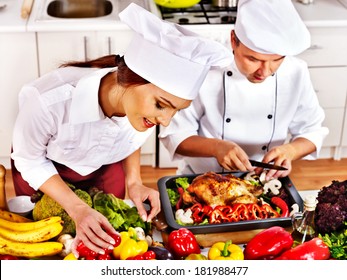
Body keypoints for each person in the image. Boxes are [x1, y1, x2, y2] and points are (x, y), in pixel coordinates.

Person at [10, 3, 231, 257]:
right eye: (161, 105)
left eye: (176, 110)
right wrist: (77, 208)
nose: (166, 121)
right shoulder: (49, 101)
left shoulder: (144, 112)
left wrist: (134, 181)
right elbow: (30, 160)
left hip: (105, 166)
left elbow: (131, 137)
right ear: (130, 79)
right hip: (44, 172)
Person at [159, 0, 329, 181]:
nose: (264, 71)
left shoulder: (296, 71)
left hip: (262, 182)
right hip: (201, 179)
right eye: (253, 59)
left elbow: (312, 131)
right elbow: (176, 135)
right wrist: (216, 147)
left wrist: (290, 150)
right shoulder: (205, 68)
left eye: (276, 60)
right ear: (233, 40)